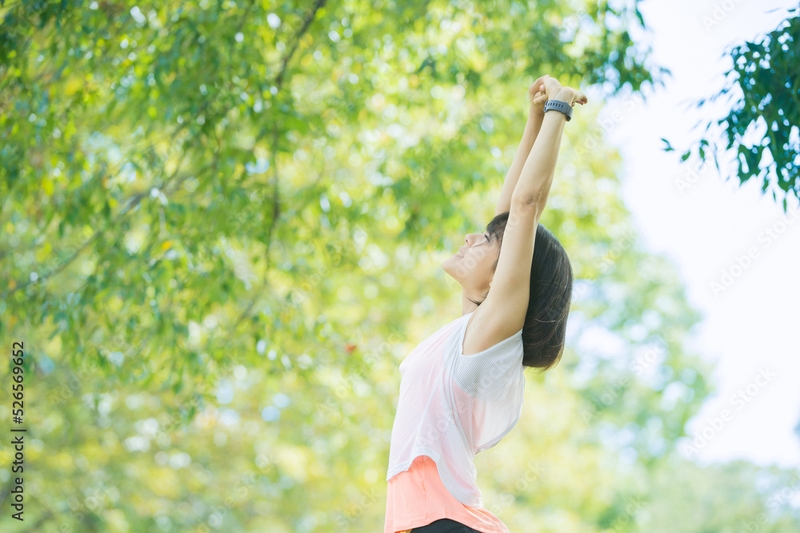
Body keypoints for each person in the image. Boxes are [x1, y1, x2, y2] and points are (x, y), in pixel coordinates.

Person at [384, 75, 588, 533]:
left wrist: (561, 108)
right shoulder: (470, 329)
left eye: (486, 242)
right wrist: (534, 117)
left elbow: (526, 206)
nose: (471, 237)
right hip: (426, 523)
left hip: (446, 523)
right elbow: (510, 214)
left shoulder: (491, 329)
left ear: (502, 278)